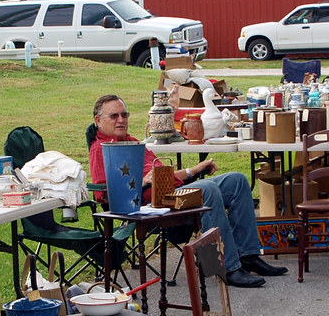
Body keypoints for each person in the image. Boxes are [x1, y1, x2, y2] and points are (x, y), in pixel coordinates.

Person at [89, 94, 286, 288]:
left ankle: (248, 255)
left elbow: (165, 175)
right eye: (114, 116)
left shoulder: (133, 142)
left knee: (237, 180)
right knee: (207, 188)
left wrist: (195, 169)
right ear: (98, 120)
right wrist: (143, 182)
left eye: (124, 114)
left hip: (172, 194)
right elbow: (103, 195)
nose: (121, 120)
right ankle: (227, 267)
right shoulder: (101, 149)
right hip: (151, 207)